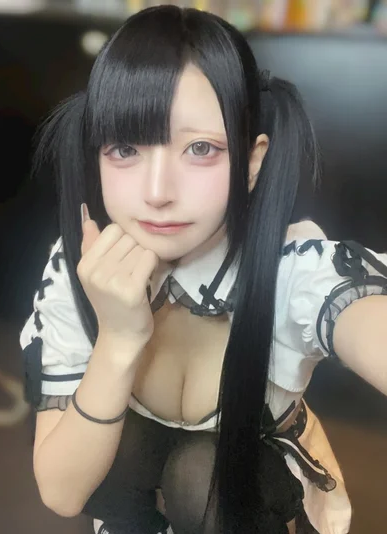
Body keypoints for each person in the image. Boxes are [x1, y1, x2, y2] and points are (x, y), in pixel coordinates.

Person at [19, 6, 387, 534]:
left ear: (252, 161)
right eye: (125, 148)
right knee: (111, 441)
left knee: (201, 474)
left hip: (250, 508)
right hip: (135, 511)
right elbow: (61, 493)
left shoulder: (289, 270)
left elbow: (361, 316)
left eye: (200, 149)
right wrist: (118, 339)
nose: (157, 192)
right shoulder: (85, 265)